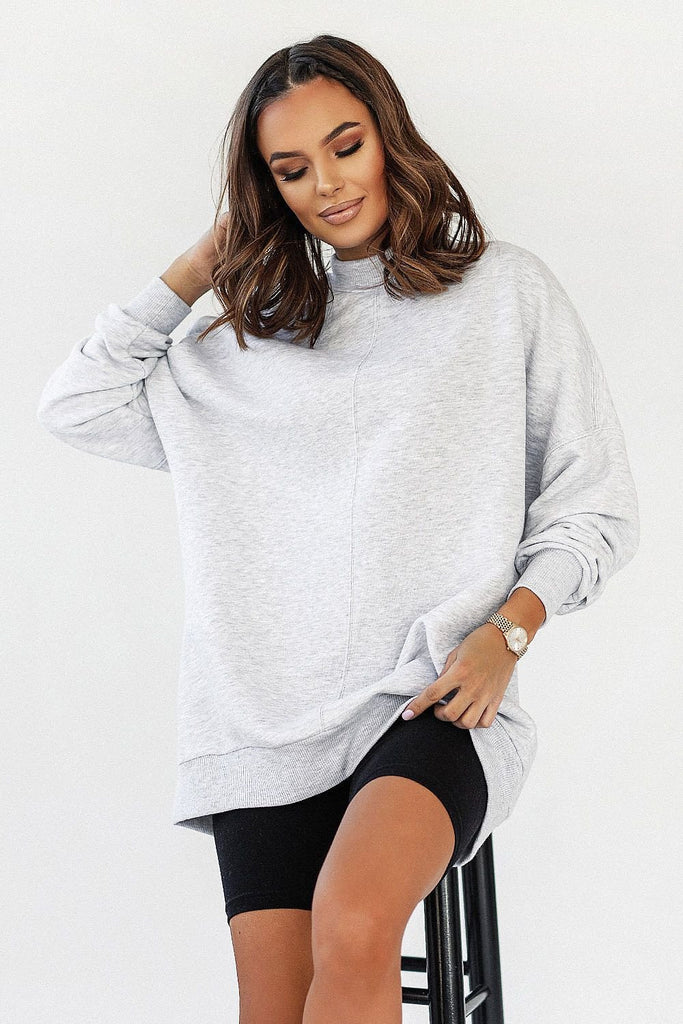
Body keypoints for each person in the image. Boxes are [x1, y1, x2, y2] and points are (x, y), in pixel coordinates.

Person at [36, 33, 640, 1024]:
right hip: (261, 719)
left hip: (428, 700)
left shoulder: (503, 293)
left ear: (388, 134)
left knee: (353, 925)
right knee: (275, 1007)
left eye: (345, 145)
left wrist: (507, 632)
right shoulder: (240, 340)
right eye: (290, 169)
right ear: (265, 190)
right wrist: (196, 267)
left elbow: (595, 504)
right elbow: (76, 404)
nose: (326, 183)